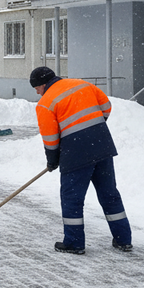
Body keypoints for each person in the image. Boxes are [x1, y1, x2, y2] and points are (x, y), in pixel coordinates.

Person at [29, 66, 132, 254]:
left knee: (72, 199)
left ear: (43, 85)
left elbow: (50, 138)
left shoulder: (45, 103)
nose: (36, 92)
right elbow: (106, 106)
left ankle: (74, 243)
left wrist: (52, 159)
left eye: (36, 88)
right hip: (102, 145)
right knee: (109, 194)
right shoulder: (81, 84)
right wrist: (94, 129)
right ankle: (123, 239)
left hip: (75, 154)